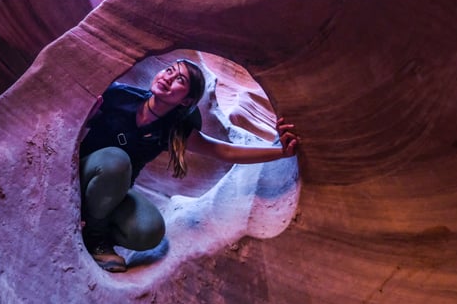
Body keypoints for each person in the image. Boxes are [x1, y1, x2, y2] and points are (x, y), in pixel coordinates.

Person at [79, 58, 299, 273]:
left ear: (186, 100)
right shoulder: (118, 97)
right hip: (84, 173)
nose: (168, 77)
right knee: (117, 161)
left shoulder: (174, 129)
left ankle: (95, 225)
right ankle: (96, 239)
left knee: (150, 231)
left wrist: (280, 152)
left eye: (180, 80)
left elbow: (224, 151)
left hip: (113, 192)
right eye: (169, 70)